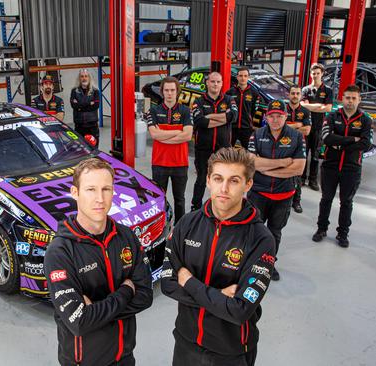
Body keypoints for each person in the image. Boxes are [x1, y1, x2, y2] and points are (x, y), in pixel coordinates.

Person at [161, 147, 276, 366]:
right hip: (186, 341)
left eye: (234, 180)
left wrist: (190, 282)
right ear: (208, 180)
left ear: (248, 184)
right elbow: (167, 284)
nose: (223, 188)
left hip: (231, 352)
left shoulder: (261, 240)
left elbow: (239, 310)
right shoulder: (187, 223)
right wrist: (217, 296)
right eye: (218, 178)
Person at [44, 158, 153, 366]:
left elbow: (146, 296)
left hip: (125, 358)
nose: (100, 199)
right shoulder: (60, 252)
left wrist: (96, 311)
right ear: (75, 193)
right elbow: (79, 322)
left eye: (106, 189)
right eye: (91, 190)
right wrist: (126, 291)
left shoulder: (126, 237)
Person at [247, 100, 306, 281]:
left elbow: (298, 168)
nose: (275, 119)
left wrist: (264, 167)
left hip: (284, 195)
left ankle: (268, 264)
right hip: (258, 193)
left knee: (274, 232)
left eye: (279, 116)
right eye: (271, 115)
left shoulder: (297, 137)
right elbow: (251, 163)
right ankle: (250, 263)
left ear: (285, 117)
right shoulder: (256, 135)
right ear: (266, 117)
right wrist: (282, 162)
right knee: (253, 230)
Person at [312, 85, 372, 248]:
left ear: (359, 99)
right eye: (347, 97)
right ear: (342, 98)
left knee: (346, 202)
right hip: (330, 166)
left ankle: (342, 233)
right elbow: (326, 138)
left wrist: (340, 144)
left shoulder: (366, 119)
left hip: (352, 168)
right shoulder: (332, 116)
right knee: (326, 199)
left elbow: (366, 144)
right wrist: (353, 140)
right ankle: (321, 229)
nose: (350, 101)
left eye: (354, 98)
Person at [146, 76, 194, 223]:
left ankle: (180, 228)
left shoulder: (185, 111)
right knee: (159, 199)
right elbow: (154, 134)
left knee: (180, 200)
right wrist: (177, 132)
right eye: (166, 90)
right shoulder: (153, 110)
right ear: (162, 92)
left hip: (180, 164)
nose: (169, 93)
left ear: (177, 91)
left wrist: (163, 136)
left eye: (172, 90)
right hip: (159, 163)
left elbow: (187, 136)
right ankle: (160, 226)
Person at [190, 71, 238, 211]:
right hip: (203, 150)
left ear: (222, 83)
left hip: (223, 150)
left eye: (218, 82)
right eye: (212, 81)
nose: (215, 84)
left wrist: (210, 116)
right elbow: (200, 121)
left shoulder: (229, 100)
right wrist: (223, 119)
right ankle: (196, 207)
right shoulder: (199, 101)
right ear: (207, 83)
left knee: (223, 180)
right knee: (201, 180)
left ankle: (220, 206)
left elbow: (233, 117)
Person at [300, 63, 333, 191]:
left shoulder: (328, 91)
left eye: (318, 73)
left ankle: (313, 180)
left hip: (319, 127)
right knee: (303, 154)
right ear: (310, 74)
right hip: (305, 127)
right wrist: (319, 106)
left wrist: (310, 106)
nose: (315, 75)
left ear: (322, 74)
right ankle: (302, 178)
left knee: (315, 154)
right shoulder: (305, 90)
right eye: (313, 73)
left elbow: (328, 108)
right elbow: (302, 106)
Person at [285, 85, 312, 213]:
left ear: (301, 96)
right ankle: (285, 200)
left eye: (297, 93)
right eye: (292, 93)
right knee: (283, 173)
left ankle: (297, 202)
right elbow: (277, 127)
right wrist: (297, 125)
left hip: (299, 147)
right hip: (283, 146)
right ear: (288, 95)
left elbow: (306, 131)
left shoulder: (306, 112)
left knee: (297, 175)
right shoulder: (283, 109)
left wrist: (287, 126)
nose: (295, 96)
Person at [226, 66, 261, 149]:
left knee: (248, 153)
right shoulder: (230, 92)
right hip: (232, 127)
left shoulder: (254, 93)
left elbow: (253, 110)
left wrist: (249, 121)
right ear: (237, 77)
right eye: (240, 76)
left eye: (245, 76)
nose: (243, 78)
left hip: (246, 128)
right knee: (227, 151)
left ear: (248, 77)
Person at [70, 69, 101, 146]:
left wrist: (80, 106)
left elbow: (95, 106)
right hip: (79, 126)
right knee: (80, 149)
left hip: (92, 127)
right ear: (79, 78)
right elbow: (74, 106)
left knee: (94, 148)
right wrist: (89, 103)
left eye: (86, 76)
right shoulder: (74, 91)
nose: (84, 78)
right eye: (82, 76)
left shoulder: (95, 91)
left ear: (89, 78)